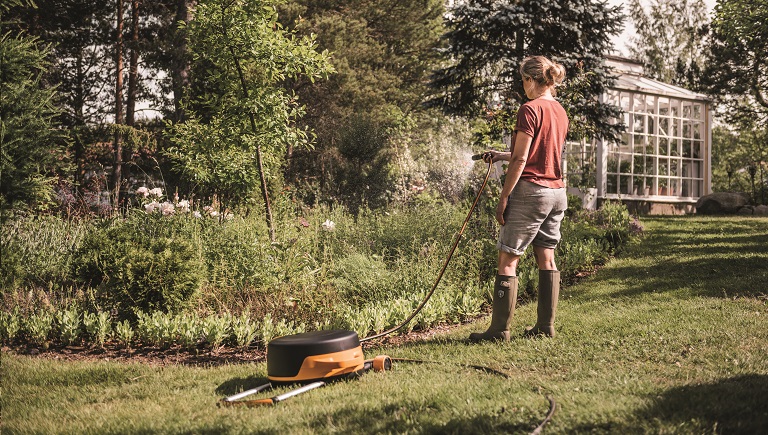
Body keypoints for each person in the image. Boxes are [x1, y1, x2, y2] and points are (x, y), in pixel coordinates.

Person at [469, 55, 569, 342]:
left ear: (529, 79)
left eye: (522, 80)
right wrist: (502, 155)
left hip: (530, 193)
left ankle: (499, 331)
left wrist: (504, 197)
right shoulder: (560, 111)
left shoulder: (529, 109)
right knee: (546, 258)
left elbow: (523, 158)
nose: (522, 86)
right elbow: (541, 151)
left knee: (507, 259)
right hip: (556, 193)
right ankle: (545, 327)